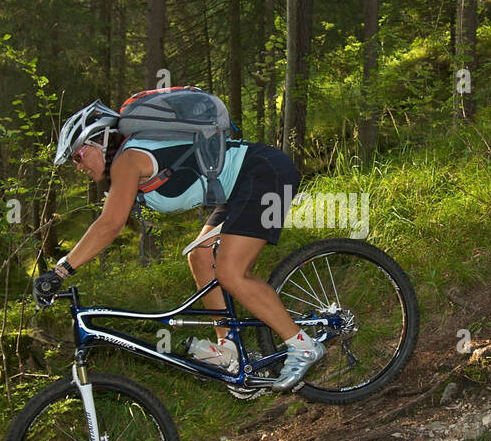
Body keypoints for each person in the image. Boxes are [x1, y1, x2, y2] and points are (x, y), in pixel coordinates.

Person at [31, 99, 323, 391]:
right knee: (200, 256)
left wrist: (61, 271)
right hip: (240, 187)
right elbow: (107, 223)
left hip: (264, 173)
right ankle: (228, 347)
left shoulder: (127, 161)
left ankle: (302, 346)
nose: (77, 166)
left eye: (78, 156)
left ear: (99, 142)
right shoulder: (127, 162)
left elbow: (109, 225)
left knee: (231, 272)